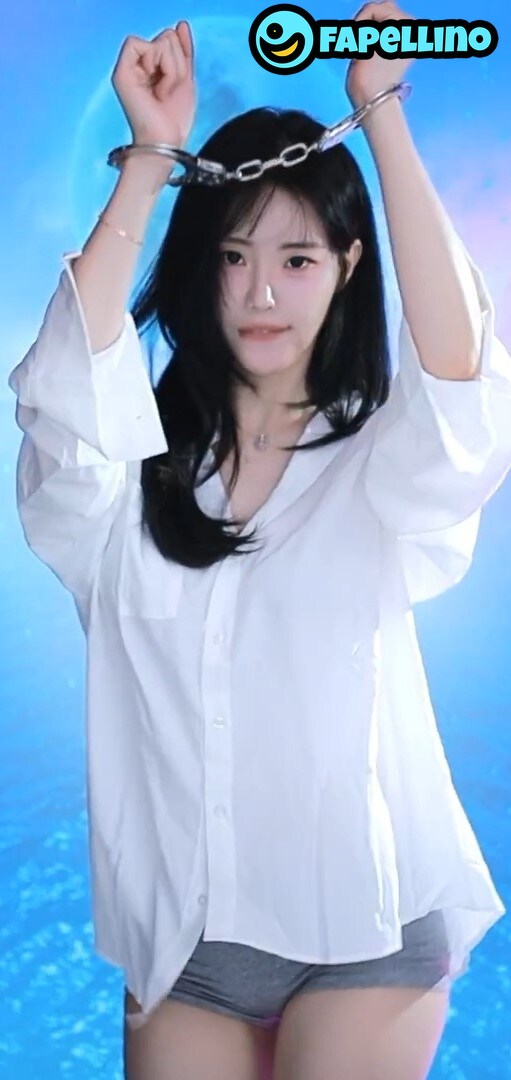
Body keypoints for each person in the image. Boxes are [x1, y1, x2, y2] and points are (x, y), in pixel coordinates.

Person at [8, 11, 511, 1080]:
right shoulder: (121, 490)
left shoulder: (380, 469)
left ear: (347, 266)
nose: (260, 292)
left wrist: (381, 114)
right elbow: (59, 397)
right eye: (232, 256)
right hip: (184, 942)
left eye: (296, 257)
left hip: (368, 926)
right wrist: (150, 159)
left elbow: (462, 383)